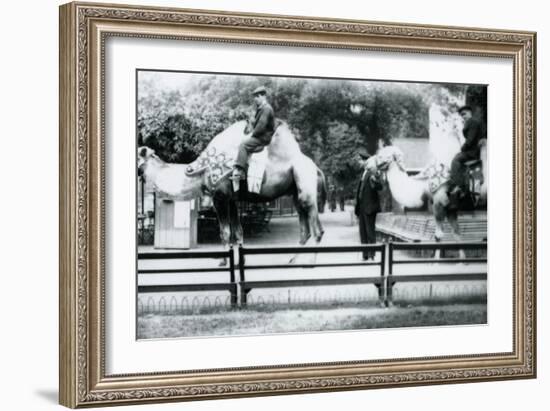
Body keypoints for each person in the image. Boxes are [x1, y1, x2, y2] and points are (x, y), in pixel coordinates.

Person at [232, 86, 276, 182]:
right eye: (255, 97)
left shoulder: (267, 109)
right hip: (261, 136)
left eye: (256, 97)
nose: (255, 100)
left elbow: (260, 127)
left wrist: (251, 135)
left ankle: (240, 171)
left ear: (262, 96)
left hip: (263, 138)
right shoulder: (262, 108)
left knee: (243, 144)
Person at [448, 105, 484, 199]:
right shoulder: (471, 122)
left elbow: (470, 139)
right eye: (461, 115)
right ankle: (460, 182)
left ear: (470, 112)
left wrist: (463, 148)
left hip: (472, 152)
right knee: (456, 156)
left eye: (464, 114)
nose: (463, 116)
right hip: (472, 150)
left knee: (455, 160)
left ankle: (459, 186)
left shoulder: (472, 122)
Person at [355, 148, 382, 260]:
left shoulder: (372, 172)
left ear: (364, 160)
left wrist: (375, 181)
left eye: (359, 161)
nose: (358, 163)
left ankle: (372, 255)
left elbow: (380, 187)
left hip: (370, 208)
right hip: (362, 208)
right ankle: (365, 255)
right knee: (363, 233)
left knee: (370, 232)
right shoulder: (364, 173)